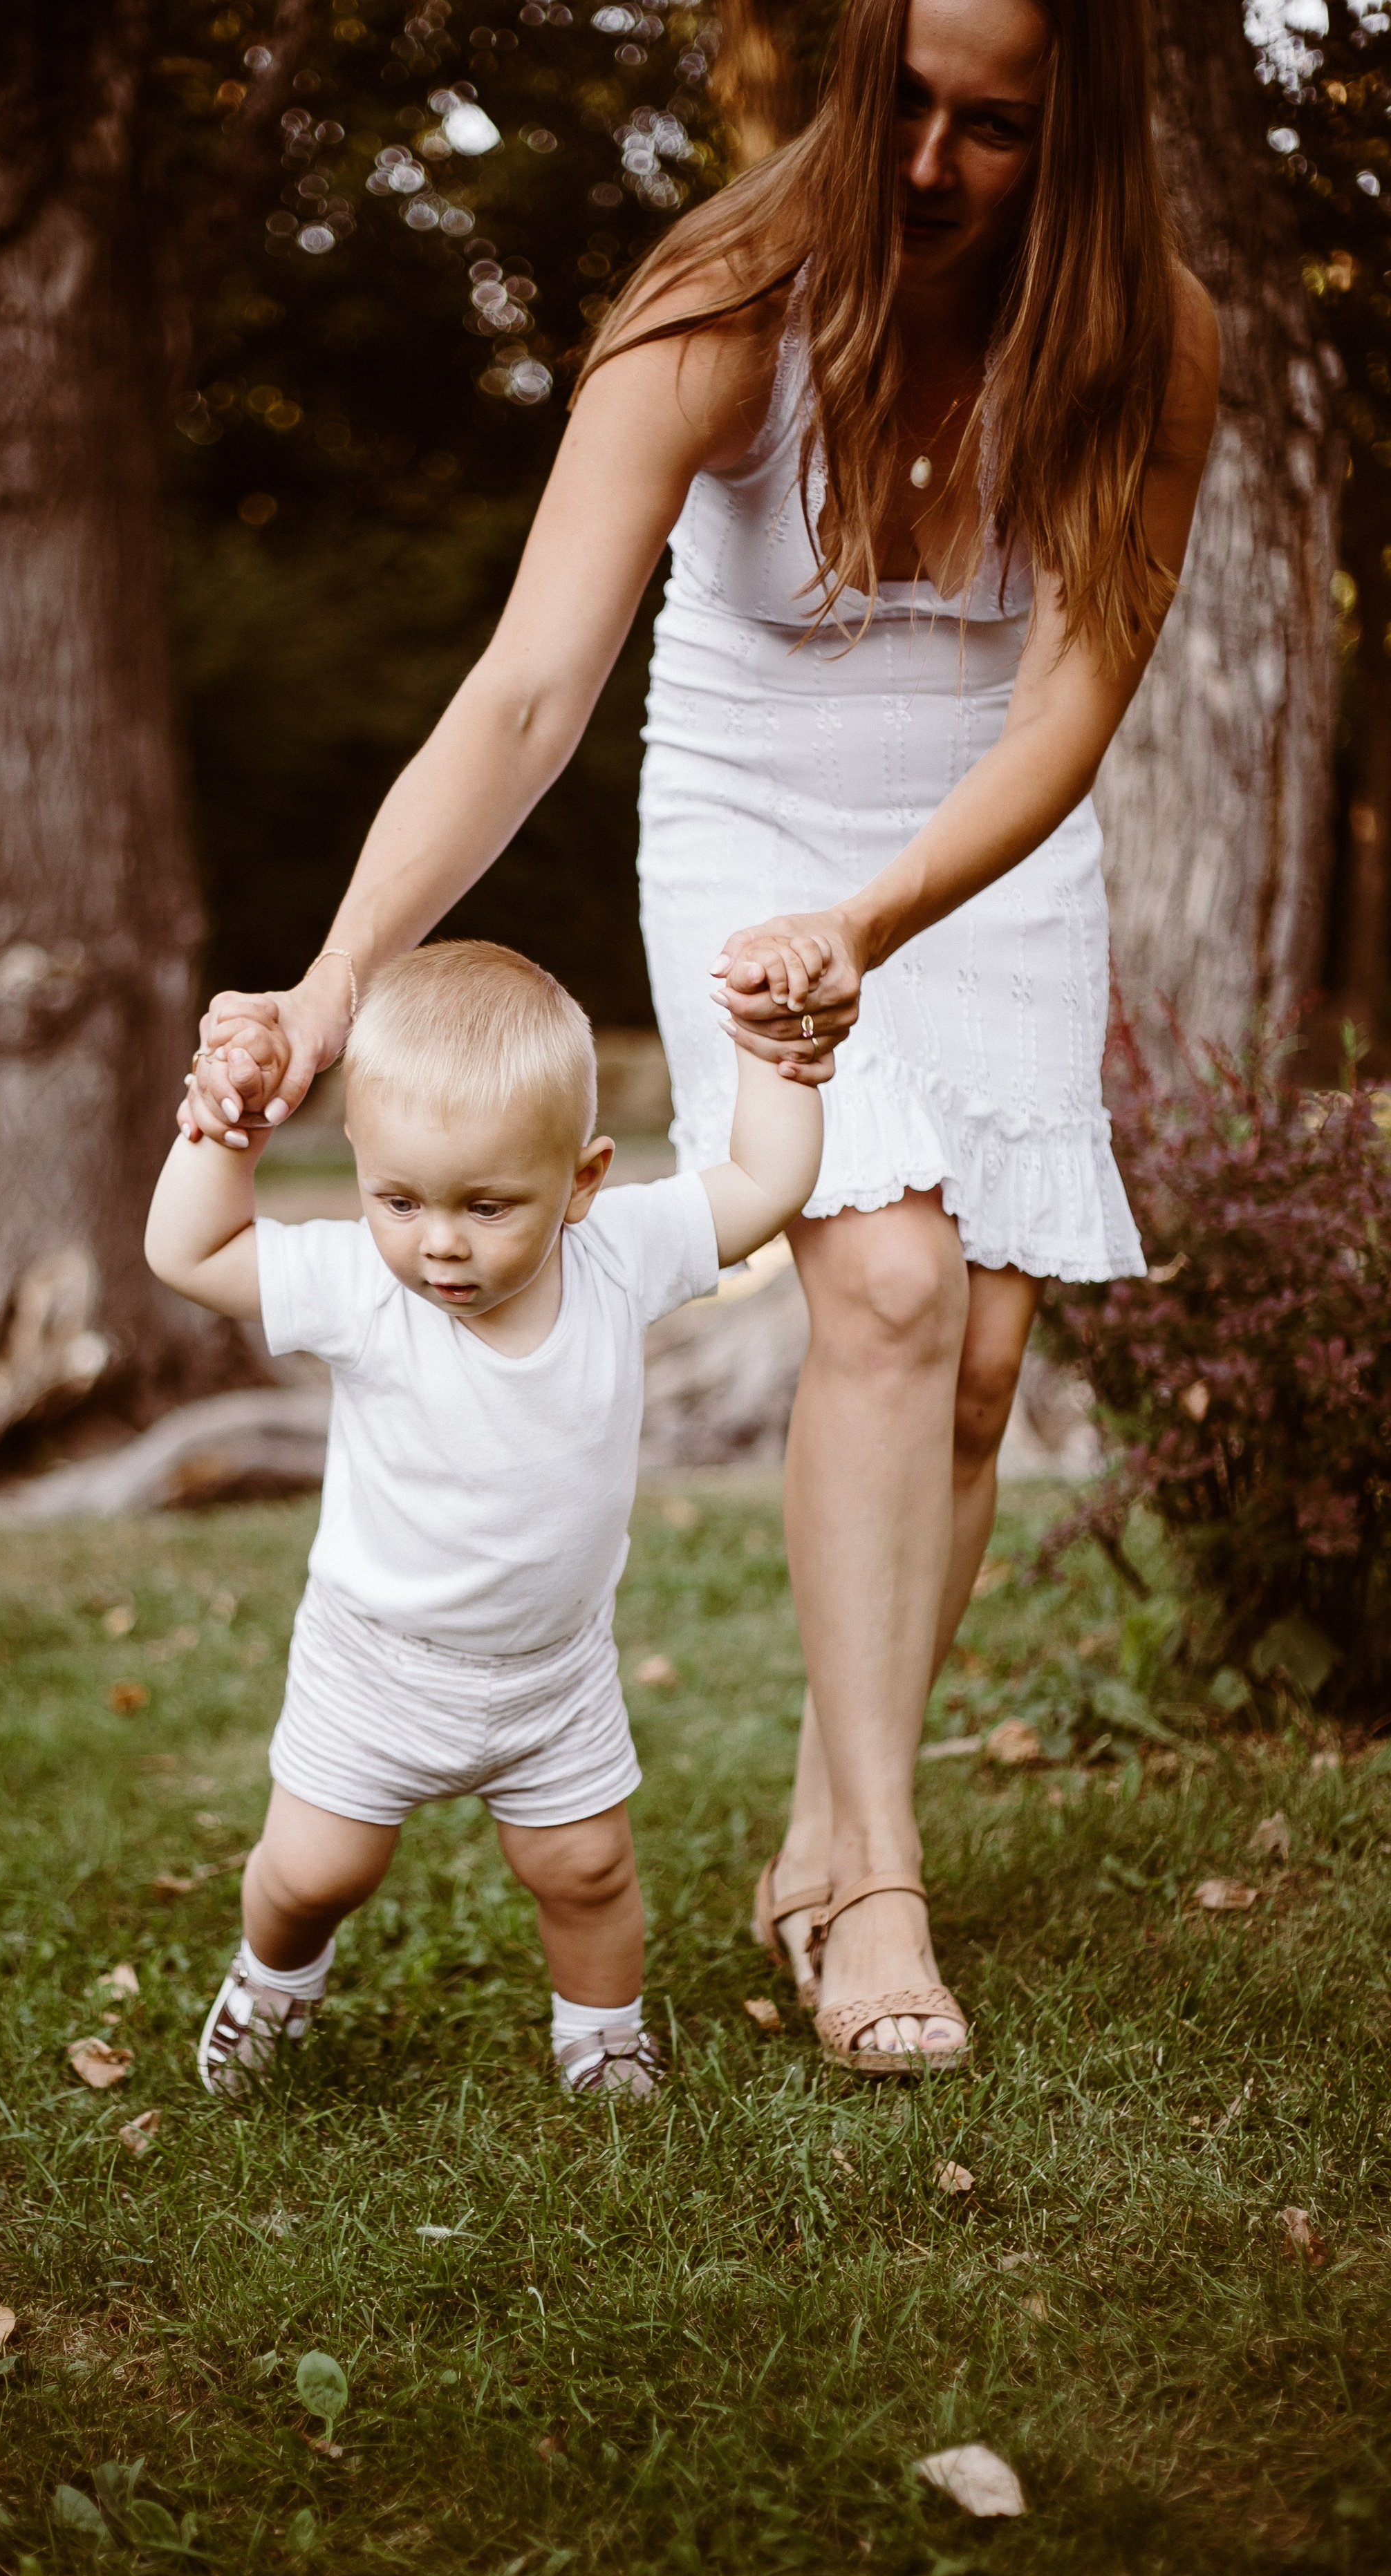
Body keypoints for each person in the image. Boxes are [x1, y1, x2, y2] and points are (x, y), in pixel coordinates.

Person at [176, 0, 1219, 2074]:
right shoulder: (722, 307)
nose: (925, 168)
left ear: (1079, 128)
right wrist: (340, 978)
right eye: (901, 104)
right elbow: (526, 696)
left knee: (976, 1366)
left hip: (981, 841)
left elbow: (1068, 710)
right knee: (890, 1285)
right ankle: (883, 1891)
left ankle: (832, 1829)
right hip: (752, 804)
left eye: (993, 129)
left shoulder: (1147, 339)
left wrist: (878, 924)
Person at [147, 939, 823, 2099]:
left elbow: (768, 1184)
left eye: (488, 1205)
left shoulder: (617, 1258)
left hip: (552, 1675)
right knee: (316, 1874)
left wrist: (778, 1055)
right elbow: (187, 1250)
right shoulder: (362, 1287)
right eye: (399, 1200)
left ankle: (602, 2035)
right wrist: (228, 1132)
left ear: (583, 1181)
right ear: (362, 1170)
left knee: (587, 1870)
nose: (441, 1241)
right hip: (375, 1666)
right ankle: (273, 1976)